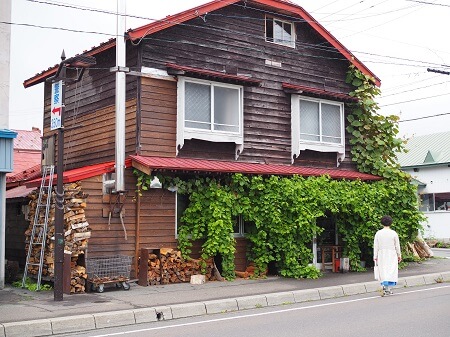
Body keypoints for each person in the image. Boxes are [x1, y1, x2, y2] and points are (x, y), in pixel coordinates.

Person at [373, 215, 402, 296]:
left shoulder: (378, 233)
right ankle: (389, 289)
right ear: (391, 223)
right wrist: (399, 255)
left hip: (381, 254)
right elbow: (397, 246)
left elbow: (376, 245)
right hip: (392, 254)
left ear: (381, 223)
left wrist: (375, 256)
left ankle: (385, 288)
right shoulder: (393, 233)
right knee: (391, 270)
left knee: (383, 270)